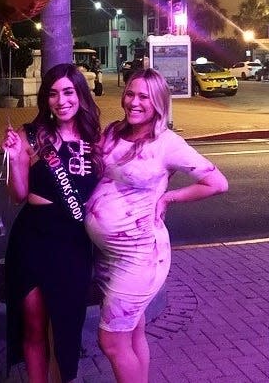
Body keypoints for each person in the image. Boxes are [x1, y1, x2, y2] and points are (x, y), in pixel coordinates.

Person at [85, 67, 229, 383]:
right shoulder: (113, 131)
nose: (134, 102)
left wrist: (168, 198)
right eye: (130, 93)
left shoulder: (167, 144)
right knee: (134, 332)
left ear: (159, 103)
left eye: (144, 97)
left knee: (110, 342)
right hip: (110, 257)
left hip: (140, 258)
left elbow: (217, 183)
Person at [1, 63, 103, 383]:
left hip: (73, 243)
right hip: (32, 239)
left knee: (65, 325)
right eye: (53, 93)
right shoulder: (29, 136)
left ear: (81, 96)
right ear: (46, 99)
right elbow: (18, 195)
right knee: (33, 324)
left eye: (69, 92)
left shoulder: (95, 141)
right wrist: (15, 157)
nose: (61, 100)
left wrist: (159, 199)